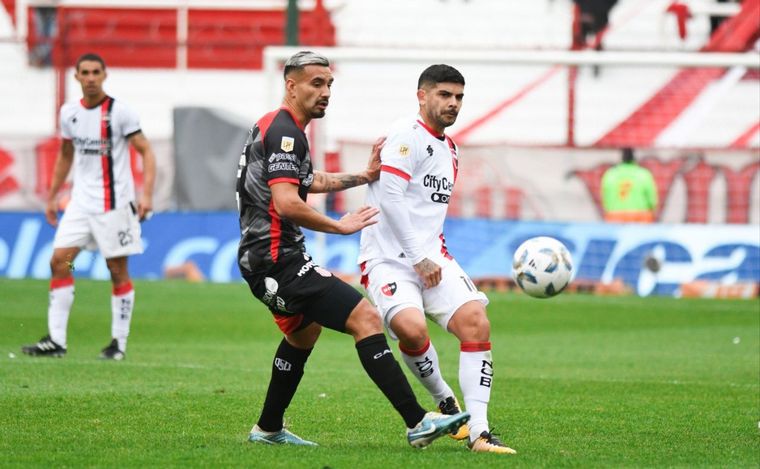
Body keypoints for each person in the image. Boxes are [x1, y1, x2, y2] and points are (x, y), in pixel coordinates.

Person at [235, 51, 469, 448]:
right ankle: (417, 421)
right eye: (315, 84)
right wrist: (338, 226)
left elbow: (310, 181)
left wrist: (364, 175)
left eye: (329, 85)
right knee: (365, 317)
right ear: (290, 85)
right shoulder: (285, 133)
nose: (325, 92)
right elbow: (287, 203)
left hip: (269, 257)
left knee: (303, 334)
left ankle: (268, 428)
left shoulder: (279, 128)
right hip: (276, 258)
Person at [357, 64, 516, 455]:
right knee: (412, 331)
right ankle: (446, 400)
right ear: (422, 95)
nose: (453, 103)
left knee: (476, 323)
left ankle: (480, 433)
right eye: (445, 95)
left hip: (433, 257)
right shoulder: (404, 137)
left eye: (459, 97)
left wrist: (428, 257)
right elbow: (391, 200)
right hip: (389, 260)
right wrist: (416, 258)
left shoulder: (451, 149)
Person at [22, 53, 156, 360]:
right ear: (77, 77)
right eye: (85, 72)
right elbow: (66, 154)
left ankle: (118, 344)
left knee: (116, 270)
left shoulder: (121, 113)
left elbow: (146, 152)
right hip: (80, 205)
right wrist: (53, 195)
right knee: (61, 262)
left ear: (105, 75)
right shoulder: (69, 113)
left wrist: (146, 195)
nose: (91, 77)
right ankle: (56, 341)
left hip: (114, 206)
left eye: (96, 72)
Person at [601, 147, 658, 223]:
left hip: (615, 217)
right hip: (640, 217)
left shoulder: (610, 174)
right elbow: (652, 201)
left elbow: (605, 200)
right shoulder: (644, 174)